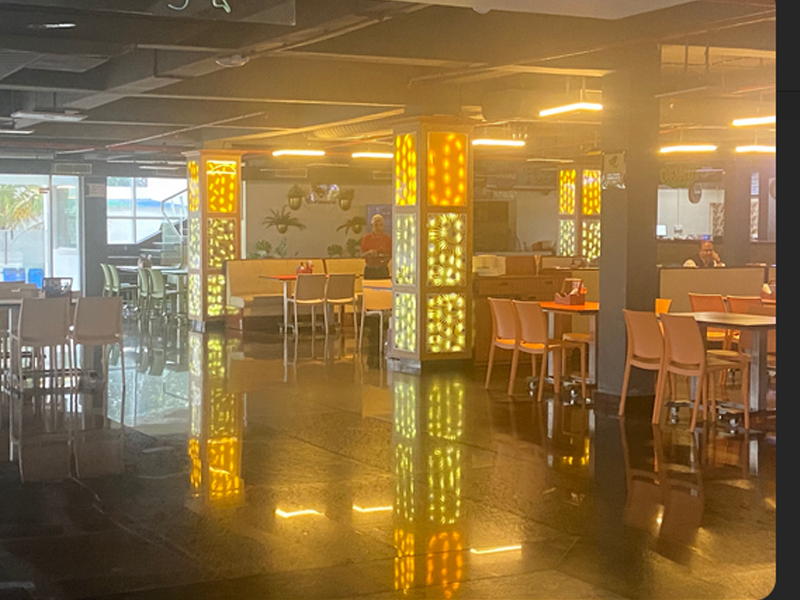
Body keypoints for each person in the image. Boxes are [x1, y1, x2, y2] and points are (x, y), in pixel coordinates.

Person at [360, 213, 392, 279]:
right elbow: (361, 255)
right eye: (376, 225)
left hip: (382, 269)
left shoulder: (388, 239)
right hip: (370, 269)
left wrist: (382, 256)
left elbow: (391, 255)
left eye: (381, 225)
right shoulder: (366, 238)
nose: (378, 228)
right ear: (372, 225)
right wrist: (369, 253)